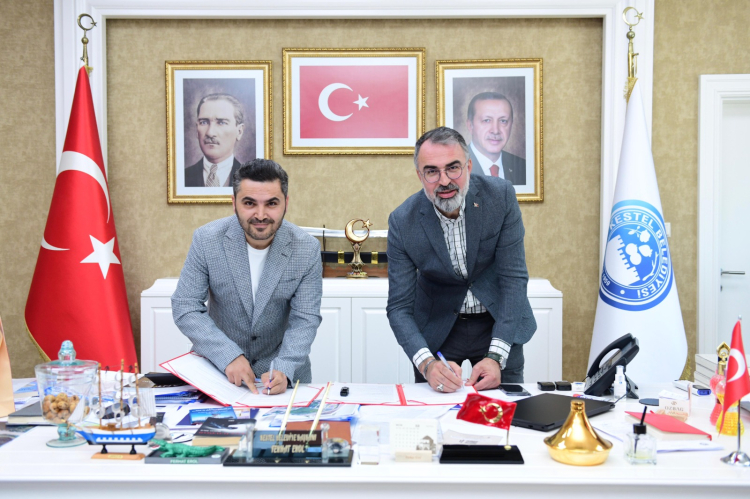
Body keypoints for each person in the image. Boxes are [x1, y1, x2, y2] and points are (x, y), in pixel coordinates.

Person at [386, 127, 536, 394]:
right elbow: (399, 307)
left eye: (453, 168)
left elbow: (513, 279)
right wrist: (427, 364)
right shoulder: (402, 221)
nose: (444, 180)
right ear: (420, 175)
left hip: (499, 320)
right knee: (434, 412)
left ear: (468, 166)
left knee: (505, 409)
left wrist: (496, 356)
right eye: (432, 171)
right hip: (438, 327)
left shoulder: (500, 197)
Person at [172, 159, 323, 394]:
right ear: (234, 203)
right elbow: (186, 305)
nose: (260, 215)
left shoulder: (307, 248)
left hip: (282, 378)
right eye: (249, 203)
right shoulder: (206, 239)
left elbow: (305, 319)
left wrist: (284, 367)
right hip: (218, 373)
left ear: (286, 203)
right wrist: (228, 355)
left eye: (271, 203)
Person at [185, 93, 245, 187]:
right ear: (197, 130)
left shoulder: (253, 179)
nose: (210, 133)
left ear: (239, 132)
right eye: (203, 122)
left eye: (221, 122)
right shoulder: (181, 178)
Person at [465, 92, 526, 185]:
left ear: (511, 125)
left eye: (503, 121)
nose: (495, 130)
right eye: (487, 120)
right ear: (470, 125)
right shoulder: (456, 167)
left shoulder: (523, 167)